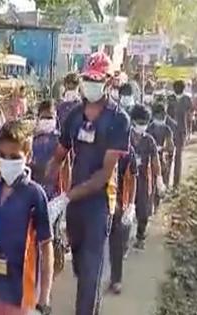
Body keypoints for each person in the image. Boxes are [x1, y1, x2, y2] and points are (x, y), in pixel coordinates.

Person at [47, 52, 130, 315]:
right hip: (74, 205)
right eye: (88, 78)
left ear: (108, 82)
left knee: (91, 270)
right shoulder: (73, 116)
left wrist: (66, 197)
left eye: (97, 79)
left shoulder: (118, 120)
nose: (91, 83)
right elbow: (58, 157)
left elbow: (103, 176)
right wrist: (45, 194)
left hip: (99, 202)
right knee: (80, 266)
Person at [0, 120, 53, 315]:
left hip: (22, 292)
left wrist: (44, 299)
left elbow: (46, 247)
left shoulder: (35, 195)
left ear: (27, 156)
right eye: (3, 156)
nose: (7, 161)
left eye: (14, 157)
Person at [130, 105, 165, 250]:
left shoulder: (149, 140)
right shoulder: (125, 137)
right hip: (127, 179)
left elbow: (155, 160)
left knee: (143, 211)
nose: (142, 126)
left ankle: (140, 237)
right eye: (139, 122)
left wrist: (159, 179)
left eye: (145, 122)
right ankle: (122, 240)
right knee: (123, 210)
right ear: (133, 121)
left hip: (144, 180)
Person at [109, 146, 137, 294]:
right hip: (98, 202)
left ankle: (116, 279)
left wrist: (131, 204)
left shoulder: (127, 152)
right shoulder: (97, 144)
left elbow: (133, 177)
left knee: (117, 244)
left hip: (118, 203)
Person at [31, 100, 69, 199]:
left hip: (56, 191)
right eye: (44, 117)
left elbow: (67, 168)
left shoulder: (61, 140)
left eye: (49, 117)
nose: (47, 120)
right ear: (38, 118)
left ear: (55, 118)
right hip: (36, 189)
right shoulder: (32, 140)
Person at [168, 80, 193, 187]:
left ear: (182, 89)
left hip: (181, 131)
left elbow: (189, 117)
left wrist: (189, 131)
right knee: (169, 155)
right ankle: (166, 179)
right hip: (170, 131)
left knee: (178, 156)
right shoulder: (170, 99)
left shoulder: (187, 100)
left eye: (179, 88)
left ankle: (176, 182)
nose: (177, 90)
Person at [147, 104, 175, 189]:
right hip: (151, 158)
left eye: (161, 115)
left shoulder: (167, 129)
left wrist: (163, 149)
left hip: (163, 158)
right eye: (158, 115)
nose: (160, 117)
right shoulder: (149, 128)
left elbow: (171, 147)